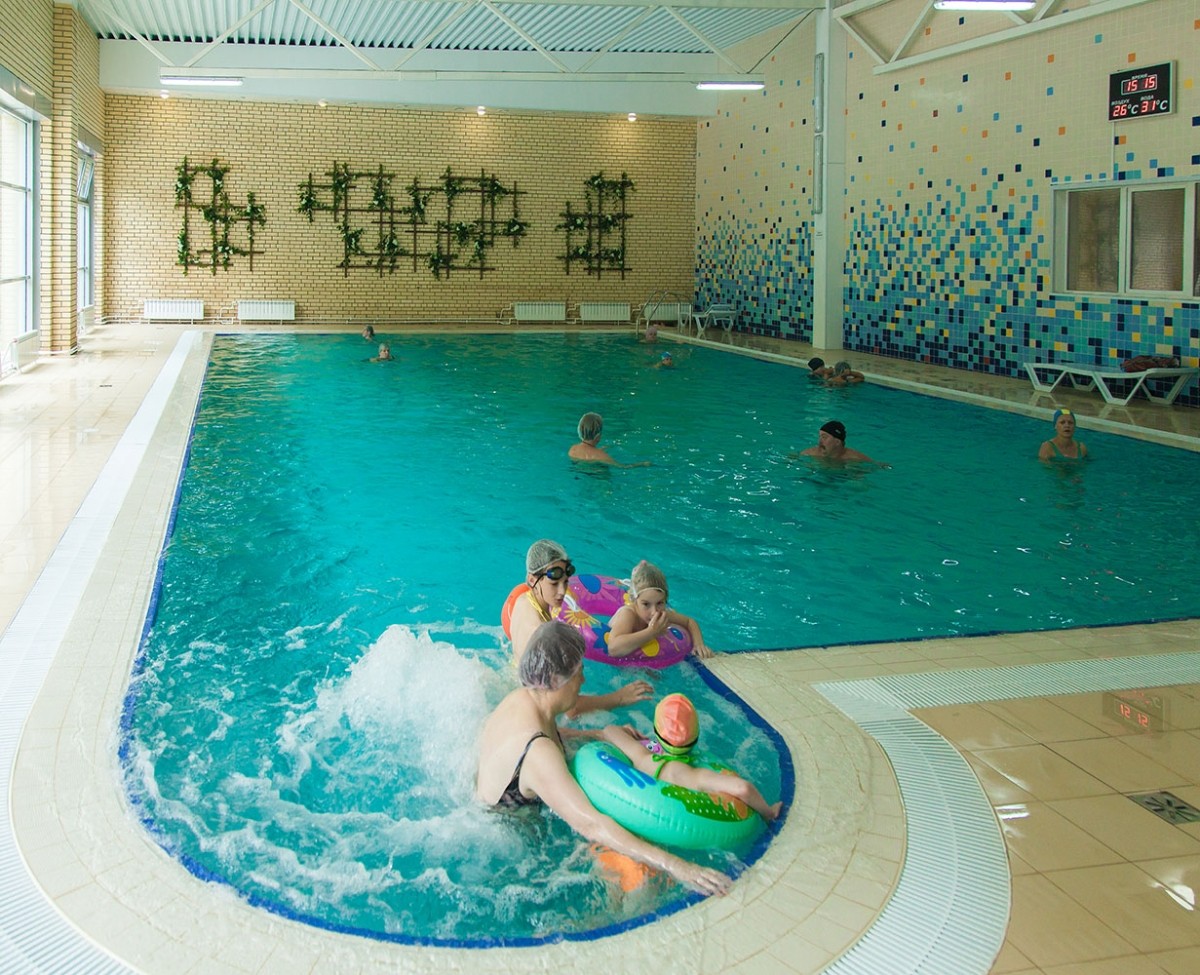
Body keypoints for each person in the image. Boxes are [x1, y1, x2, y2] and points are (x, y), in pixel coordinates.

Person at [475, 622, 732, 896]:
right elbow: (591, 824)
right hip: (514, 832)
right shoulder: (539, 753)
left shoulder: (524, 698)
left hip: (490, 802)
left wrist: (597, 734)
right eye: (578, 673)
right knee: (644, 879)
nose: (583, 681)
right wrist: (678, 866)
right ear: (554, 681)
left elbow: (551, 732)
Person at [509, 540, 651, 712]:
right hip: (531, 708)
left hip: (512, 684)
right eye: (554, 584)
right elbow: (570, 710)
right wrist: (619, 697)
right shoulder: (542, 636)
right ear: (532, 580)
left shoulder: (523, 600)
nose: (562, 591)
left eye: (565, 582)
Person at [600, 693, 781, 822]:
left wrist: (625, 730)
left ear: (656, 732)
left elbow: (609, 730)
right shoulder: (696, 776)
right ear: (696, 736)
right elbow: (743, 788)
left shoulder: (642, 757)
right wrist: (769, 812)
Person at [606, 560, 713, 660]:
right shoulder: (628, 614)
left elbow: (689, 622)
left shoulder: (663, 614)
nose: (654, 612)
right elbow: (613, 649)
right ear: (635, 600)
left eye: (660, 603)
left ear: (665, 600)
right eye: (646, 604)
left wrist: (699, 644)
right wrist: (651, 632)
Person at [568, 413, 650, 468]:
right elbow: (623, 467)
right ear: (598, 436)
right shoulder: (602, 456)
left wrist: (600, 450)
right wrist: (642, 464)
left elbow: (588, 455)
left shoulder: (573, 449)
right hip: (597, 476)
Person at [801, 419, 879, 464]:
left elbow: (877, 466)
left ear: (837, 442)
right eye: (820, 436)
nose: (820, 441)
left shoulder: (854, 458)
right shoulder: (810, 453)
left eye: (824, 437)